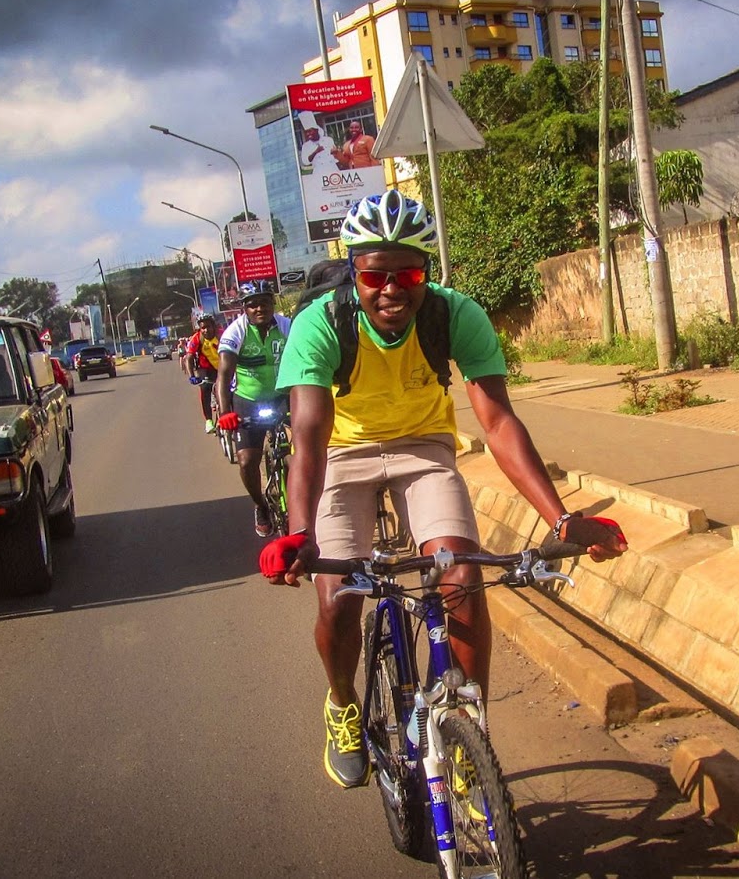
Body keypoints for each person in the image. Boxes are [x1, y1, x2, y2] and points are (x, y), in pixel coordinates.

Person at [258, 189, 628, 789]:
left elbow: (499, 422)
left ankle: (465, 729)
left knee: (461, 577)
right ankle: (343, 703)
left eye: (408, 273)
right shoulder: (319, 324)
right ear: (354, 271)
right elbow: (308, 437)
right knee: (339, 597)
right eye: (376, 274)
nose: (392, 289)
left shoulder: (455, 314)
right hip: (342, 455)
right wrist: (299, 534)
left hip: (424, 448)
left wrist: (560, 520)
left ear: (426, 273)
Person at [215, 281, 292, 537]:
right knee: (247, 460)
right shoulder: (234, 332)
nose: (260, 308)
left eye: (265, 303)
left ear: (273, 304)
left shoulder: (287, 326)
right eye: (253, 305)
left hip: (283, 396)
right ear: (245, 309)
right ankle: (260, 505)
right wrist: (226, 413)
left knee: (307, 446)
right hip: (247, 399)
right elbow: (223, 377)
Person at [186, 314, 223, 434]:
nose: (206, 330)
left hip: (224, 367)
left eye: (208, 327)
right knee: (205, 389)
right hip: (206, 370)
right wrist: (192, 376)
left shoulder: (222, 334)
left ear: (214, 326)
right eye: (203, 328)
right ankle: (208, 420)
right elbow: (189, 358)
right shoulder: (197, 338)